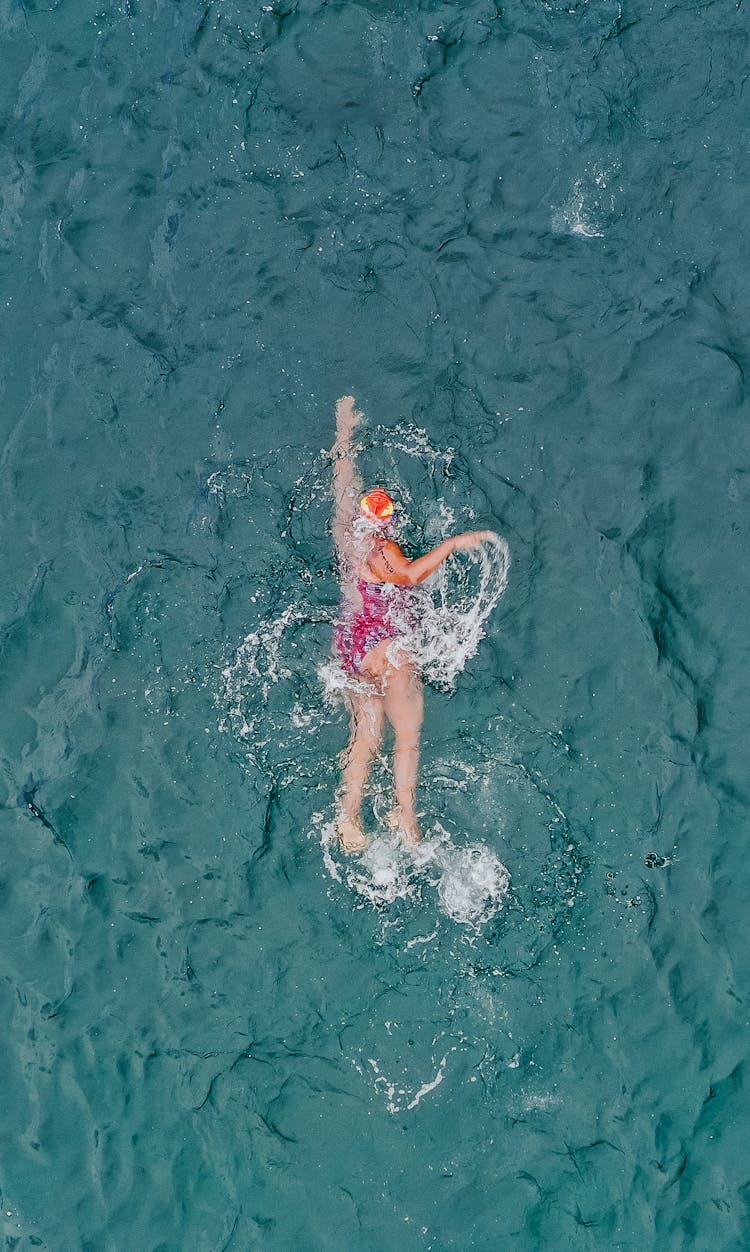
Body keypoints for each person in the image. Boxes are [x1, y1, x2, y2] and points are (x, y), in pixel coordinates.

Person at [329, 396, 493, 853]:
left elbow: (342, 479)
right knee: (407, 730)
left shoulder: (347, 535)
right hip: (386, 646)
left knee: (366, 732)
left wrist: (345, 430)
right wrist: (454, 543)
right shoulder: (384, 549)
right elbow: (407, 575)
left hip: (351, 645)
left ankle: (349, 817)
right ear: (385, 522)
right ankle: (404, 814)